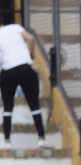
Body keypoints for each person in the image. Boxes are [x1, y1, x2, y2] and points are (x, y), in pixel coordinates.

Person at [0, 17, 45, 147]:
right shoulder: (15, 27)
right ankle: (41, 138)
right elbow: (31, 39)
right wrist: (31, 55)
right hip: (25, 68)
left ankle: (7, 140)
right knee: (34, 105)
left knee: (8, 107)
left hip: (8, 71)